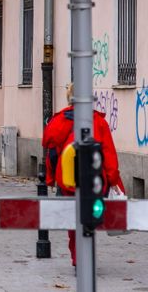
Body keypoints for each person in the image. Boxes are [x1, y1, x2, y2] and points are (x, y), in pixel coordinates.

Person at [42, 83, 125, 269]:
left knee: (73, 220)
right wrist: (113, 180)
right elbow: (108, 154)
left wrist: (50, 179)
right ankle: (85, 254)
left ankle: (77, 257)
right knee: (91, 218)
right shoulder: (98, 121)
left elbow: (51, 149)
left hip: (67, 182)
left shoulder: (59, 120)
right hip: (95, 182)